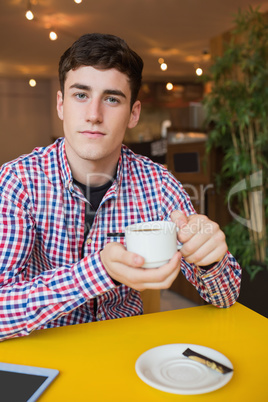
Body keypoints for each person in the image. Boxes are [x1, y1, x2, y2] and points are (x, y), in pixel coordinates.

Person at [0, 33, 241, 341]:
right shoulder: (18, 181)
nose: (94, 115)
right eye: (81, 95)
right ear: (61, 104)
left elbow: (226, 296)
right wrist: (98, 271)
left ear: (134, 114)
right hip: (44, 353)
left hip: (126, 353)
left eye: (112, 99)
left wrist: (210, 258)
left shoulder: (158, 184)